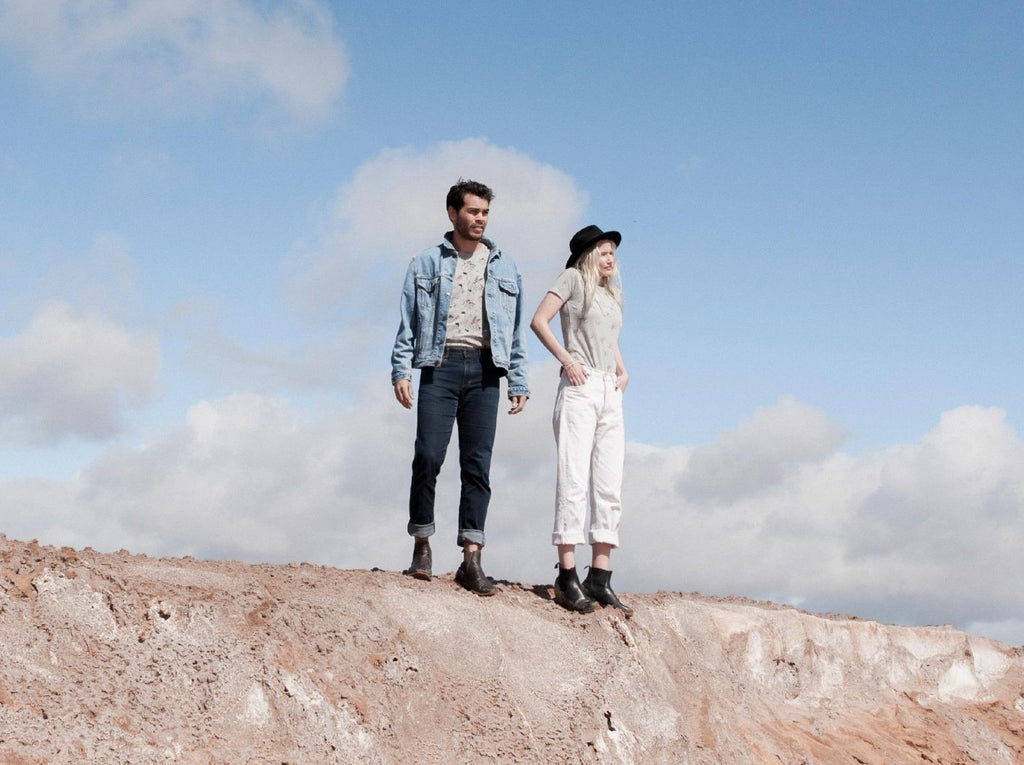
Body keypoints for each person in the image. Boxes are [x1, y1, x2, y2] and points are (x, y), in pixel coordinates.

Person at [391, 179, 529, 596]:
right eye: (473, 211)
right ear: (453, 213)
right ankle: (421, 547)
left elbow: (514, 330)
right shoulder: (425, 262)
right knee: (428, 456)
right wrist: (401, 370)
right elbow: (408, 321)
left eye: (485, 212)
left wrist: (518, 378)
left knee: (477, 465)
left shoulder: (505, 266)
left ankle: (472, 559)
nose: (480, 219)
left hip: (486, 369)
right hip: (441, 365)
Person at [530, 225, 632, 615]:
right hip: (580, 387)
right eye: (603, 252)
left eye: (613, 252)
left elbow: (609, 338)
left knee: (609, 485)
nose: (611, 258)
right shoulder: (572, 278)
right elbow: (540, 320)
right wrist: (567, 360)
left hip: (610, 391)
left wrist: (623, 369)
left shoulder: (610, 293)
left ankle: (600, 577)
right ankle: (567, 575)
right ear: (588, 255)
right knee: (573, 481)